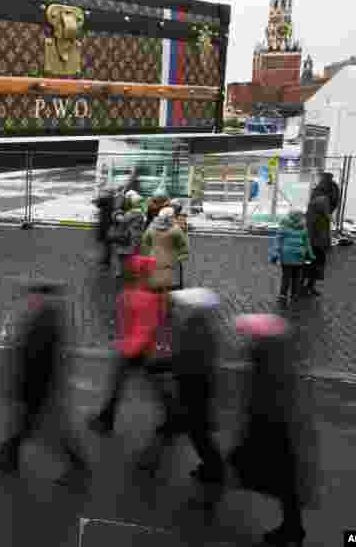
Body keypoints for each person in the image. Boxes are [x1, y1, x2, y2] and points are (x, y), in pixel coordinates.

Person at [0, 282, 90, 487]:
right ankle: (8, 456)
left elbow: (35, 359)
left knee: (50, 431)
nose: (30, 300)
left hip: (38, 389)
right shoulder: (47, 316)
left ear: (42, 297)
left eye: (35, 296)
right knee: (28, 426)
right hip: (39, 388)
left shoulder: (44, 321)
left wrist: (22, 387)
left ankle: (78, 467)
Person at [228, 315, 317, 547]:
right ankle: (292, 528)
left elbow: (263, 398)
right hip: (282, 429)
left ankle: (292, 530)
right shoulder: (279, 357)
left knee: (284, 483)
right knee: (286, 484)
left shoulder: (266, 360)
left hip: (275, 430)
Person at [135, 289, 225, 517]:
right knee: (188, 430)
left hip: (193, 390)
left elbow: (186, 359)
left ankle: (214, 474)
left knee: (192, 432)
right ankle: (209, 469)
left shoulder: (196, 327)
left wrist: (160, 366)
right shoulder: (199, 324)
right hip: (194, 389)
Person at [89, 255, 171, 435]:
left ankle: (106, 420)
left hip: (136, 350)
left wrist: (129, 347)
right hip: (139, 349)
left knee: (120, 384)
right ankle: (106, 418)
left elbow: (145, 326)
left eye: (134, 271)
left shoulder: (142, 296)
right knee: (150, 386)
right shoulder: (145, 294)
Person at [268, 211, 314, 305]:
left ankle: (283, 295)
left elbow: (278, 242)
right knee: (296, 278)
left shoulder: (284, 228)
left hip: (286, 258)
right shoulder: (303, 229)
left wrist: (275, 254)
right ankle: (294, 295)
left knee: (286, 277)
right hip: (299, 257)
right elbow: (307, 244)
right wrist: (310, 254)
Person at [140, 207, 189, 291]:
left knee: (156, 283)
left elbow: (145, 242)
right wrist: (182, 256)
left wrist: (148, 254)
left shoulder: (152, 227)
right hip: (172, 260)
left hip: (154, 258)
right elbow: (183, 245)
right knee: (172, 285)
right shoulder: (176, 229)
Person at [112, 191, 145, 278]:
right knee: (133, 255)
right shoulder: (141, 214)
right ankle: (134, 272)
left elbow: (122, 221)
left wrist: (116, 214)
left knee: (121, 255)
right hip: (136, 237)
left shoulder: (130, 214)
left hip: (127, 237)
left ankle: (119, 271)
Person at [303, 192, 331, 297]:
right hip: (313, 245)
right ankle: (304, 286)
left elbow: (325, 232)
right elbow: (310, 231)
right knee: (308, 266)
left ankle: (309, 286)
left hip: (318, 245)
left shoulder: (320, 214)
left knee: (315, 267)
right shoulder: (315, 215)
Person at [94, 188, 116, 267]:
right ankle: (107, 259)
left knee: (106, 243)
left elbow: (97, 203)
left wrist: (99, 194)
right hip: (110, 223)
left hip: (105, 224)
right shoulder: (114, 200)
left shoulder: (105, 199)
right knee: (108, 244)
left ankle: (106, 260)